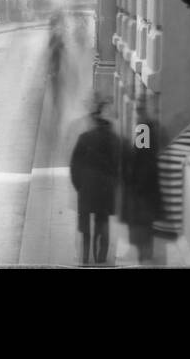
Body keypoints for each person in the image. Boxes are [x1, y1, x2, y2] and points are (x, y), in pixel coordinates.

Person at [69, 103, 119, 264]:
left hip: (87, 189)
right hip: (105, 190)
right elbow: (119, 166)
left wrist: (79, 186)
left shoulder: (84, 138)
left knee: (85, 229)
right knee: (103, 224)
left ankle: (85, 259)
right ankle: (101, 260)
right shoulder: (114, 139)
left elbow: (74, 166)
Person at [120, 94, 164, 264]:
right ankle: (146, 253)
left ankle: (144, 255)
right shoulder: (150, 126)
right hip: (149, 183)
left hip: (143, 186)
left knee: (142, 223)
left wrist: (135, 182)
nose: (138, 112)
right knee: (147, 222)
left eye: (139, 109)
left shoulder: (143, 128)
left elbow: (142, 155)